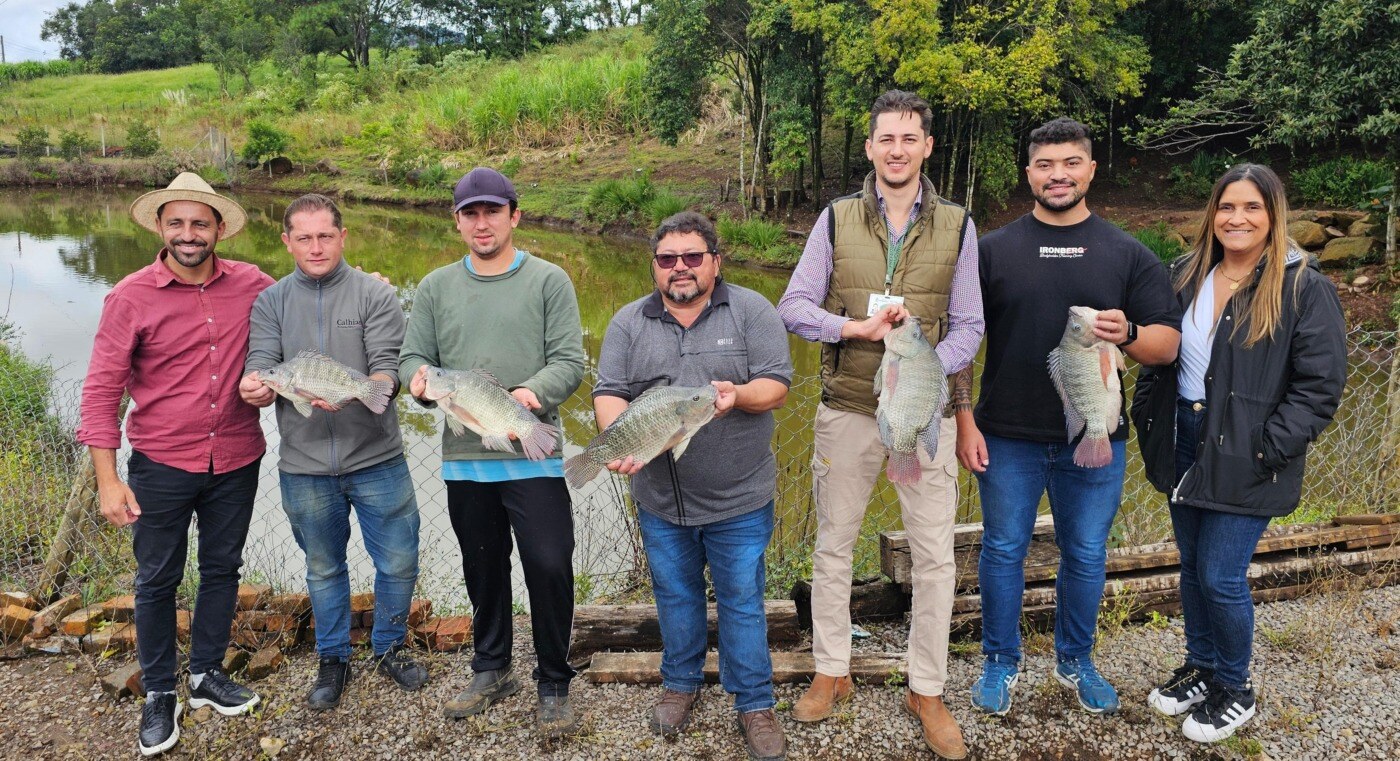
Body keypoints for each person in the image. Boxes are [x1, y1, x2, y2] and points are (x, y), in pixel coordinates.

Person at [777, 89, 982, 759]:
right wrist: (854, 328)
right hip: (848, 411)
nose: (897, 149)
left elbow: (972, 325)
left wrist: (921, 365)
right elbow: (794, 306)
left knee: (934, 555)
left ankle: (926, 687)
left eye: (909, 138)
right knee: (834, 546)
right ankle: (831, 669)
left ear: (926, 147)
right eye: (885, 138)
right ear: (869, 147)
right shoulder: (835, 219)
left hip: (926, 417)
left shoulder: (958, 224)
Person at [953, 117, 1181, 718]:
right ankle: (1000, 660)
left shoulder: (1129, 253)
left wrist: (1128, 332)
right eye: (1046, 164)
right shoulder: (991, 251)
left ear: (1090, 169)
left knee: (1085, 551)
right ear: (1028, 172)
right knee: (1003, 549)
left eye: (1071, 162)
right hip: (1006, 436)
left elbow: (1166, 344)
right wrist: (963, 420)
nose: (1059, 175)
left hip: (1096, 433)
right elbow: (957, 341)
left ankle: (1076, 659)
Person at [1132, 164, 1344, 742]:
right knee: (1194, 569)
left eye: (1252, 207)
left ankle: (1235, 686)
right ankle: (1201, 669)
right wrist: (1146, 414)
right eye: (1228, 207)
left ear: (1273, 214)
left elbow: (1319, 387)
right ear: (1212, 213)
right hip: (1184, 435)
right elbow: (1162, 355)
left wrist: (1268, 446)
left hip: (1246, 449)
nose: (1238, 218)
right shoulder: (1186, 274)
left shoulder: (1302, 287)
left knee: (1222, 576)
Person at [77, 173, 273, 756]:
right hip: (162, 463)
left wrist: (370, 289)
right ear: (161, 228)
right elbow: (100, 392)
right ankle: (159, 690)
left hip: (238, 457)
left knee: (221, 568)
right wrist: (107, 479)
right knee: (158, 579)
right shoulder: (130, 296)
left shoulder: (254, 285)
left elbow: (308, 304)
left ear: (218, 229)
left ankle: (205, 673)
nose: (189, 235)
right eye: (177, 223)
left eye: (200, 223)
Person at [592, 212, 793, 761]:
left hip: (740, 498)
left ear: (714, 261)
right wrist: (618, 440)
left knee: (743, 601)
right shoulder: (628, 323)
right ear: (654, 267)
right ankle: (680, 684)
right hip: (660, 500)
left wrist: (738, 397)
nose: (679, 268)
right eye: (667, 259)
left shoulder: (752, 309)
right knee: (676, 597)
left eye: (692, 257)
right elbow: (608, 391)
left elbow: (777, 385)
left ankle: (754, 702)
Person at [399, 167, 586, 738]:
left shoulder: (550, 280)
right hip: (465, 457)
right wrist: (419, 383)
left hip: (531, 450)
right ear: (456, 221)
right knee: (483, 568)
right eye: (469, 214)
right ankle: (492, 666)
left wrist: (530, 396)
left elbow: (570, 362)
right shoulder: (434, 288)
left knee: (549, 564)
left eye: (492, 212)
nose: (481, 223)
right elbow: (413, 359)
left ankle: (553, 680)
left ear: (514, 215)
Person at [239, 194, 427, 711]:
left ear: (344, 237)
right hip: (304, 466)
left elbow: (388, 365)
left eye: (325, 235)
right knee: (323, 568)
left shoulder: (375, 293)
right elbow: (261, 363)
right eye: (304, 237)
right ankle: (333, 657)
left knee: (399, 561)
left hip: (377, 458)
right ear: (287, 242)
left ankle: (390, 647)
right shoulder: (271, 301)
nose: (316, 247)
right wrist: (257, 386)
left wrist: (373, 387)